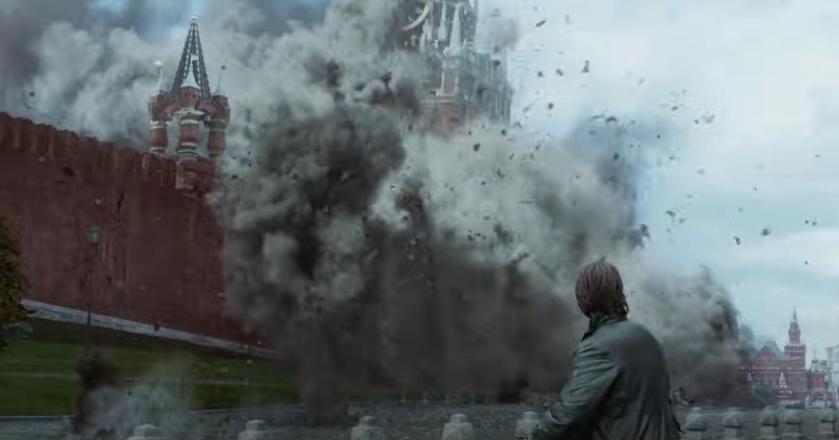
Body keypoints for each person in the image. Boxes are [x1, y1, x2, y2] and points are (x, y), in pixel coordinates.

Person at [530, 261, 681, 440]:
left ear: (583, 299)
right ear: (618, 293)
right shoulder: (647, 338)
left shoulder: (597, 347)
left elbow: (568, 416)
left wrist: (535, 435)